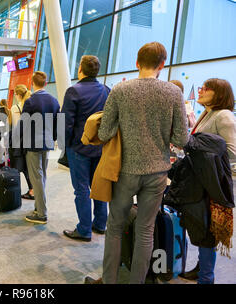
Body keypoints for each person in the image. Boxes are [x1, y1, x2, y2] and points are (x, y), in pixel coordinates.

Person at [85, 42, 188, 284]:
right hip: (157, 173)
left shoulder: (120, 91)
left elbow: (107, 131)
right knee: (145, 231)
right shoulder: (174, 93)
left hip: (124, 171)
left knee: (115, 228)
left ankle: (109, 281)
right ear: (162, 65)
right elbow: (181, 139)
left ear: (137, 63)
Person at [180, 78, 236, 284]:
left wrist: (203, 156)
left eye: (206, 88)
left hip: (210, 183)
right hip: (199, 180)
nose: (201, 90)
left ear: (219, 94)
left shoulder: (224, 117)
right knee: (199, 226)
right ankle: (201, 269)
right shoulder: (208, 112)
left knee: (207, 231)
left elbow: (231, 152)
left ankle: (206, 277)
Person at [61, 55, 110, 242]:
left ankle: (84, 229)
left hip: (79, 148)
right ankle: (100, 224)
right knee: (98, 187)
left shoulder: (74, 91)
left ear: (80, 69)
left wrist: (65, 146)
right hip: (100, 148)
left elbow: (66, 122)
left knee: (81, 189)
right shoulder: (106, 90)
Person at [14, 71, 60, 224]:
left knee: (36, 177)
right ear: (46, 83)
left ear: (32, 83)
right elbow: (56, 125)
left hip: (33, 143)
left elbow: (23, 124)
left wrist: (14, 139)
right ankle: (38, 206)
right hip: (47, 142)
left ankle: (41, 213)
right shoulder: (54, 101)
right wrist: (51, 139)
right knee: (42, 175)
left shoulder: (31, 101)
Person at [9, 84, 34, 200]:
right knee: (28, 168)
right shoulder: (32, 105)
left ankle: (15, 192)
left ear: (18, 95)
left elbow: (14, 127)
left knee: (17, 168)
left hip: (18, 141)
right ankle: (32, 190)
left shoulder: (15, 108)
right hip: (30, 141)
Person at [0, 99, 10, 167]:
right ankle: (6, 162)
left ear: (0, 104)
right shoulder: (9, 112)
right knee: (6, 150)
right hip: (7, 133)